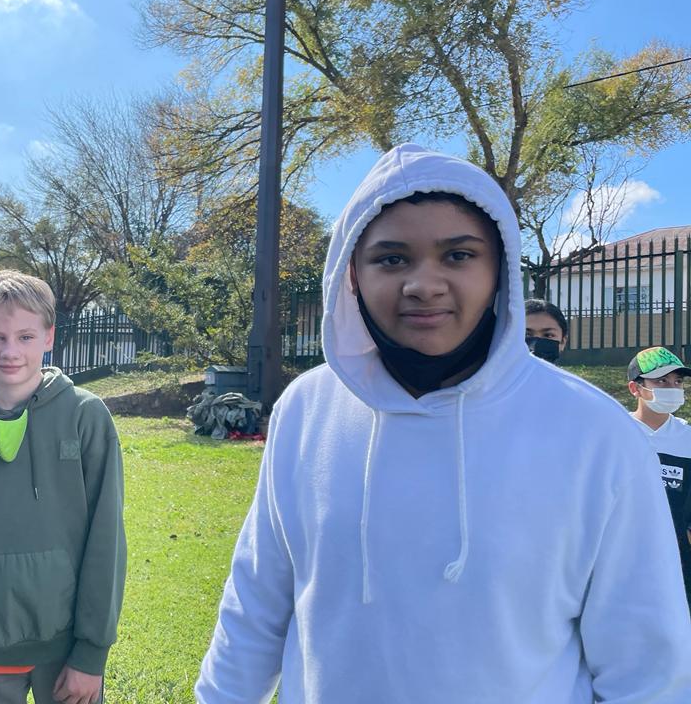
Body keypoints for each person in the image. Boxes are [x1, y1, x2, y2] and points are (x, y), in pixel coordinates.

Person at [195, 144, 691, 703]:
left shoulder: (595, 431)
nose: (423, 285)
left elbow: (648, 667)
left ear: (499, 271)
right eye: (391, 259)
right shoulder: (306, 409)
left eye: (458, 255)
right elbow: (256, 602)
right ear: (351, 275)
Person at [0, 269, 125, 704]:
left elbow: (106, 539)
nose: (11, 351)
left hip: (65, 652)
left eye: (26, 337)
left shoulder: (85, 417)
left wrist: (91, 653)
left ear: (49, 337)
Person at [627, 346, 691, 612]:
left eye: (677, 381)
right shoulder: (616, 432)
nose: (672, 388)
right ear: (635, 388)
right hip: (622, 559)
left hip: (676, 564)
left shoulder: (687, 438)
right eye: (661, 381)